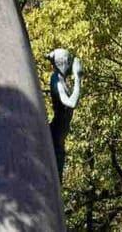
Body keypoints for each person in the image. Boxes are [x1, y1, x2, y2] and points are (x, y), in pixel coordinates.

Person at [47, 48, 83, 182]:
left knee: (57, 176)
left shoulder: (62, 80)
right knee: (55, 176)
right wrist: (78, 78)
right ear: (64, 62)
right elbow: (71, 103)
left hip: (61, 134)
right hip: (56, 132)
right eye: (69, 61)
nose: (71, 64)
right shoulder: (56, 80)